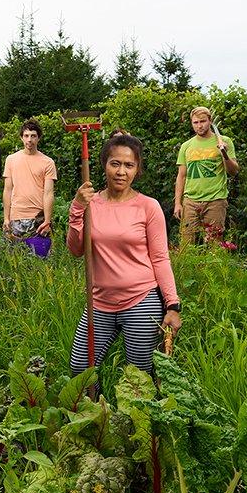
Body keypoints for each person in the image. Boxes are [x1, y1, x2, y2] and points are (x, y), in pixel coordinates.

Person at [68, 130, 182, 375]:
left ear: (137, 169)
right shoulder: (89, 204)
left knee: (138, 374)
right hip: (98, 301)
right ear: (104, 165)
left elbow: (160, 258)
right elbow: (76, 250)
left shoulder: (148, 207)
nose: (121, 172)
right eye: (115, 164)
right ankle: (97, 412)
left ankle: (133, 415)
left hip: (141, 300)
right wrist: (77, 208)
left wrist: (172, 305)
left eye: (129, 165)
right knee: (80, 367)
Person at [174, 106, 239, 243]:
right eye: (195, 122)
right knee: (186, 244)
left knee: (214, 245)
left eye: (202, 121)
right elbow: (181, 176)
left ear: (210, 121)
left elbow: (233, 171)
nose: (199, 126)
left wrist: (224, 154)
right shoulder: (186, 146)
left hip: (215, 200)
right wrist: (177, 204)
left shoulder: (224, 141)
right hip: (190, 201)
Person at [2, 119, 57, 240]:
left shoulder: (48, 162)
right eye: (26, 136)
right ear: (21, 137)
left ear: (39, 138)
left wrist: (47, 221)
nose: (29, 140)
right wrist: (6, 218)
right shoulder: (11, 160)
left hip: (38, 219)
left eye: (33, 136)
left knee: (40, 257)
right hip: (15, 217)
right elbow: (7, 190)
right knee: (13, 256)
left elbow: (48, 193)